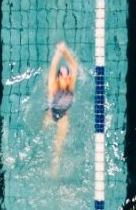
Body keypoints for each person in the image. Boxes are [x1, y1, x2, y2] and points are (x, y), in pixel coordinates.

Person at [44, 41, 78, 177]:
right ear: (58, 78)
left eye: (68, 76)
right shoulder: (52, 87)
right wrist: (58, 53)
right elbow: (53, 68)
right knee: (42, 136)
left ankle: (54, 171)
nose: (67, 78)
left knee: (58, 147)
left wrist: (66, 52)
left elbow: (74, 67)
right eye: (64, 76)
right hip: (50, 114)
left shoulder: (71, 86)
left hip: (64, 117)